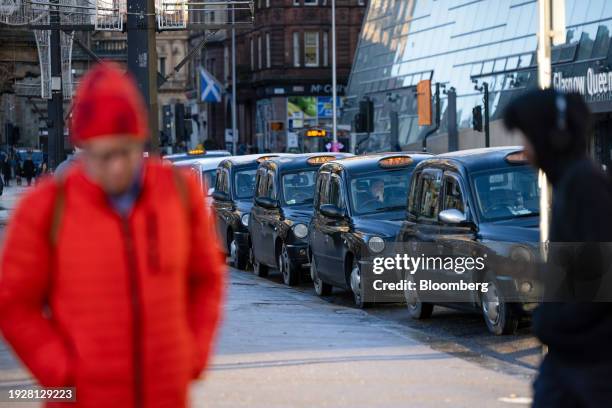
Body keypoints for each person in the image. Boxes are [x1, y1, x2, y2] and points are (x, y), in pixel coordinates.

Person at [0, 62, 225, 407]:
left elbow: (206, 279)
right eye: (103, 155)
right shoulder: (46, 208)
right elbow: (14, 302)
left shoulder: (179, 195)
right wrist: (60, 371)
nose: (116, 167)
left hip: (163, 395)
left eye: (125, 151)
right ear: (84, 149)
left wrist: (192, 353)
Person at [503, 88, 612, 408]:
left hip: (586, 369)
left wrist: (552, 323)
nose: (526, 151)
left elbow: (595, 285)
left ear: (554, 139)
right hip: (576, 365)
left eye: (528, 138)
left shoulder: (584, 186)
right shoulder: (572, 185)